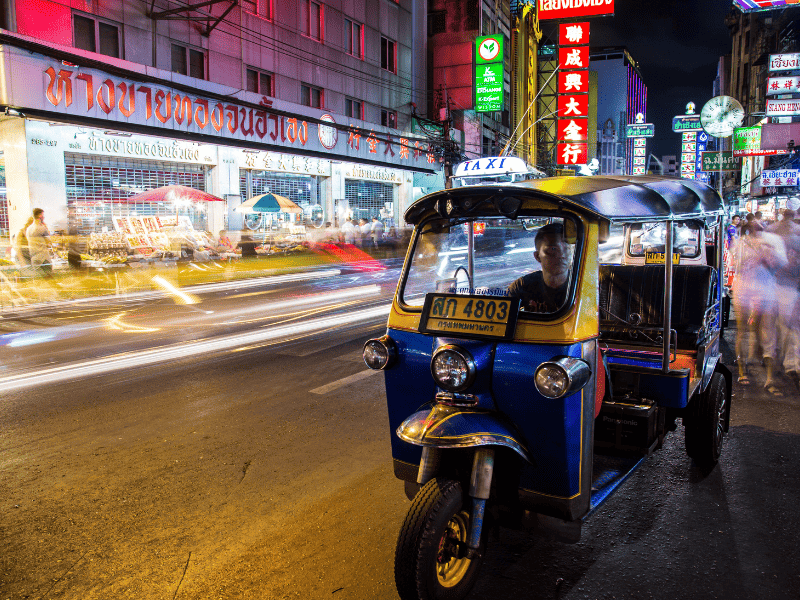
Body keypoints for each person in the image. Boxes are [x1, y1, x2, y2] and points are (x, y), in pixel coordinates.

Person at [507, 223, 572, 313]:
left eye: (567, 248)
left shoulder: (581, 287)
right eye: (553, 249)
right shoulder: (521, 287)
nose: (562, 255)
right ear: (537, 256)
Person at [26, 208, 53, 277]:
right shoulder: (41, 228)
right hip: (43, 259)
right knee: (49, 281)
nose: (43, 217)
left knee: (39, 282)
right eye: (42, 215)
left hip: (34, 258)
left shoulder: (28, 229)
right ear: (39, 215)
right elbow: (48, 241)